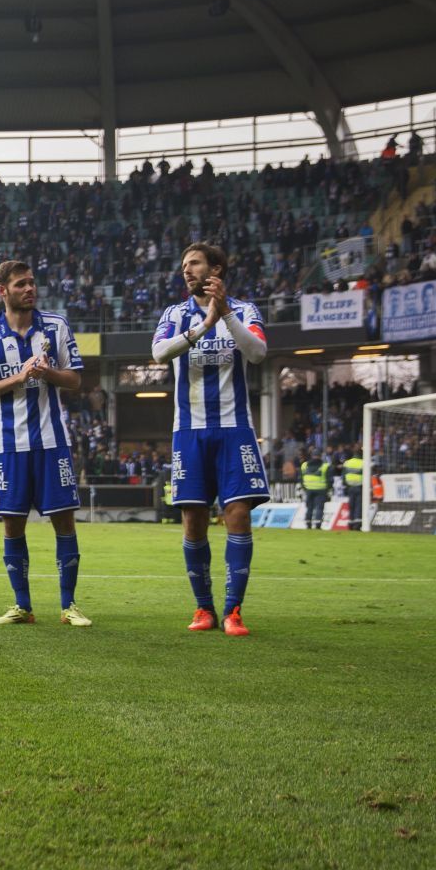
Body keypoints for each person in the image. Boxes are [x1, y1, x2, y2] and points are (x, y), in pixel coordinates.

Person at [152, 241, 271, 636]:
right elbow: (159, 353)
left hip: (235, 428)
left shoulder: (246, 310)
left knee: (237, 513)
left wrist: (225, 316)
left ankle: (233, 611)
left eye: (195, 264)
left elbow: (256, 353)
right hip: (189, 431)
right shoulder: (174, 313)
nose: (186, 271)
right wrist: (204, 324)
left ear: (216, 268)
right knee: (193, 520)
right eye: (184, 265)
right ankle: (204, 609)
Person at [0, 261, 90, 627]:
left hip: (53, 443)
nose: (30, 289)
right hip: (9, 446)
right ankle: (23, 606)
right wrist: (20, 377)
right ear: (2, 291)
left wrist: (46, 373)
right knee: (12, 525)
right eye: (21, 284)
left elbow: (75, 380)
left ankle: (69, 606)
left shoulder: (55, 326)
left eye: (32, 283)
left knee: (64, 521)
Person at [299, 449, 330, 530]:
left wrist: (305, 488)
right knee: (319, 507)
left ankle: (308, 523)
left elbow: (300, 479)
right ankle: (317, 523)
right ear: (320, 456)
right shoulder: (325, 466)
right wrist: (327, 489)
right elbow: (329, 480)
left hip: (308, 489)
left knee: (309, 507)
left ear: (312, 455)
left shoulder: (304, 465)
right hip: (321, 489)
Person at [343, 441, 364, 529]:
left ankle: (350, 523)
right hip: (360, 486)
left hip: (350, 487)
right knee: (358, 505)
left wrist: (346, 485)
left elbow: (343, 476)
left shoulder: (347, 463)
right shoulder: (364, 463)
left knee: (351, 505)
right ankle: (357, 523)